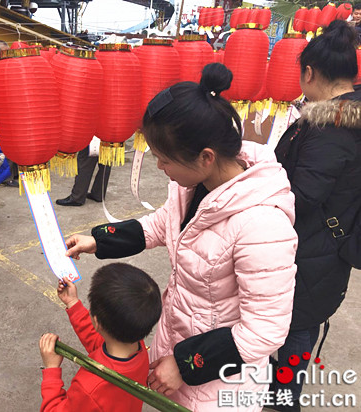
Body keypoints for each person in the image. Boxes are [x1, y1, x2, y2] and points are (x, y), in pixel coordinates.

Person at [63, 64, 298, 411]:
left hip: (221, 380)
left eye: (164, 160)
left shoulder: (263, 226)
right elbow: (161, 225)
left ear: (206, 157)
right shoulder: (195, 185)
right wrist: (98, 241)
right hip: (178, 341)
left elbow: (264, 329)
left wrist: (186, 365)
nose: (160, 169)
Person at [271, 20, 361, 412]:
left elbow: (303, 194)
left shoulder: (331, 127)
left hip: (312, 248)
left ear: (309, 72)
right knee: (300, 323)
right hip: (328, 242)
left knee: (296, 326)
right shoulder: (345, 116)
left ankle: (283, 401)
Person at [38, 263, 162, 411]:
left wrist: (51, 369)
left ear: (96, 322)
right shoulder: (137, 347)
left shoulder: (89, 388)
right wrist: (73, 303)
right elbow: (96, 341)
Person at [0, 39, 19, 188]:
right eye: (5, 53)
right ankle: (4, 177)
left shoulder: (10, 69)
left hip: (12, 113)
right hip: (0, 115)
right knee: (2, 147)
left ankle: (13, 174)